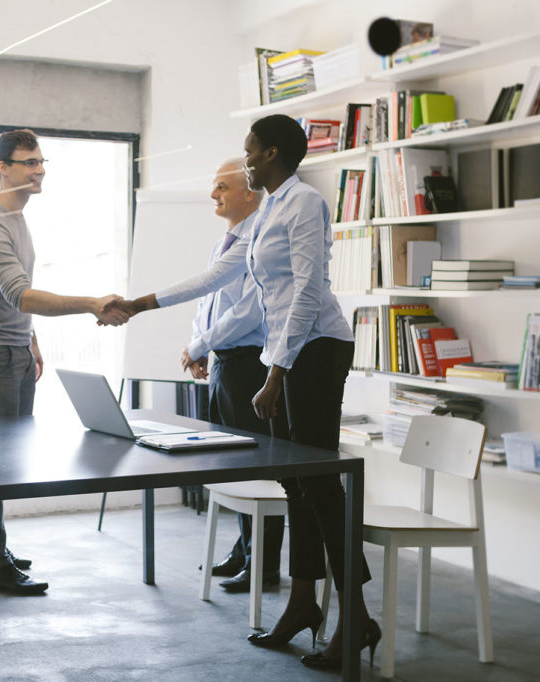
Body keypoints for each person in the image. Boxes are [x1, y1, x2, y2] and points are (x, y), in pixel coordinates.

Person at [112, 115, 378, 669]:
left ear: (272, 154)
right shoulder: (268, 212)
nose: (246, 158)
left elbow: (307, 291)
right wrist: (140, 304)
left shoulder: (304, 203)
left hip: (318, 350)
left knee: (321, 484)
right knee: (298, 485)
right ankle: (303, 604)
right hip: (290, 354)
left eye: (250, 151)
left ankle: (355, 618)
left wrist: (275, 373)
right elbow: (215, 277)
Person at [0, 128, 129, 595]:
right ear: (3, 168)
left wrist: (29, 338)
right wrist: (93, 303)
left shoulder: (18, 218)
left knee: (3, 462)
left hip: (11, 349)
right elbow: (22, 292)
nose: (38, 170)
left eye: (41, 162)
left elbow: (13, 297)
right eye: (28, 162)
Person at [165, 158, 289, 594]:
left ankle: (264, 565)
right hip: (226, 362)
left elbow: (248, 310)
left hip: (252, 364)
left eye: (222, 187)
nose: (213, 195)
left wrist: (199, 346)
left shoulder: (264, 240)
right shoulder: (226, 240)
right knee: (233, 463)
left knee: (257, 466)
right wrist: (201, 345)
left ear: (249, 192)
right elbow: (208, 301)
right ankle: (244, 550)